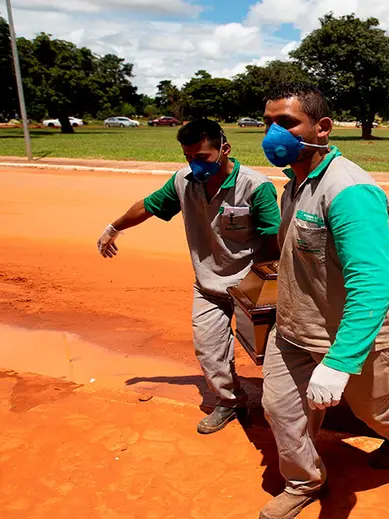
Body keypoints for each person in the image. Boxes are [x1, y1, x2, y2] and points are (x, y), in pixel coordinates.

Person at [257, 82, 389, 519]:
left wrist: (338, 362)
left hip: (354, 336)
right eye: (269, 123)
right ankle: (303, 481)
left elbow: (373, 282)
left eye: (287, 123)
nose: (274, 133)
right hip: (294, 328)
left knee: (379, 413)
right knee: (279, 409)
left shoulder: (350, 191)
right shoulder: (293, 186)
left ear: (323, 127)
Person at [96, 119, 280, 435]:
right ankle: (230, 401)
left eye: (203, 158)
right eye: (189, 157)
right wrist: (114, 228)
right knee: (208, 349)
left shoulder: (255, 186)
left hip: (251, 285)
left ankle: (289, 406)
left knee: (273, 353)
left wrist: (268, 291)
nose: (195, 165)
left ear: (225, 149)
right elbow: (149, 206)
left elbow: (272, 240)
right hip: (209, 285)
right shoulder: (184, 181)